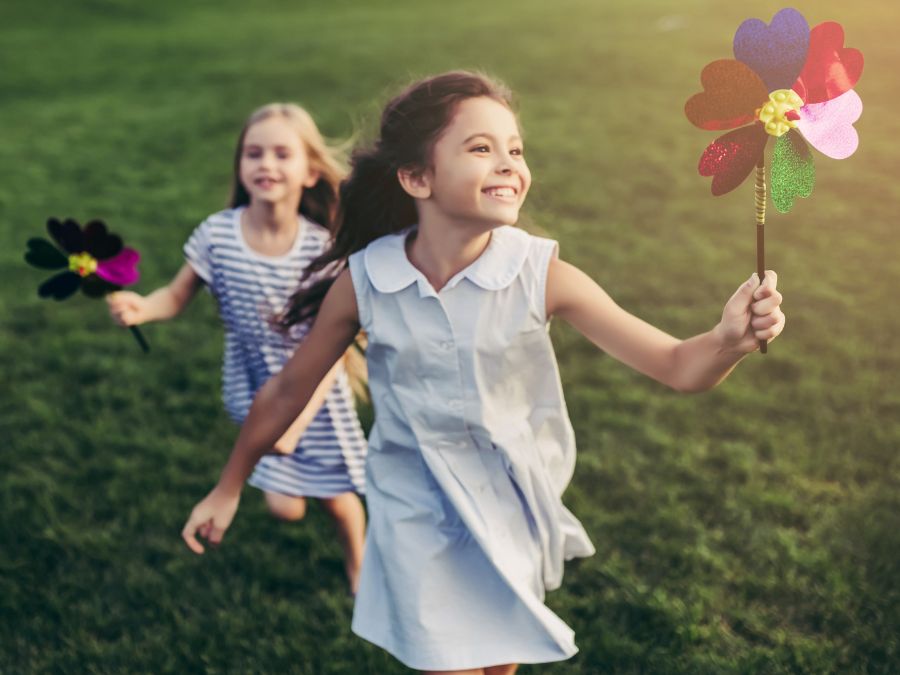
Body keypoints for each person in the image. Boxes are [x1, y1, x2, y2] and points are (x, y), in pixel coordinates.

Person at [181, 73, 785, 674]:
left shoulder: (539, 274)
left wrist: (728, 339)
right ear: (417, 178)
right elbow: (288, 389)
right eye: (480, 149)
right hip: (415, 506)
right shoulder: (366, 280)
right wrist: (230, 485)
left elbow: (679, 366)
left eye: (515, 149)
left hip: (512, 501)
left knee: (499, 663)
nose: (508, 164)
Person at [109, 103, 368, 593]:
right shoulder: (218, 234)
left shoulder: (321, 251)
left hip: (315, 395)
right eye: (254, 153)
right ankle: (289, 484)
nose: (265, 164)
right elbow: (176, 294)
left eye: (281, 154)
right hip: (254, 383)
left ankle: (359, 565)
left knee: (335, 495)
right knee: (285, 507)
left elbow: (331, 349)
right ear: (240, 166)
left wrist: (296, 418)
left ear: (311, 171)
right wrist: (143, 307)